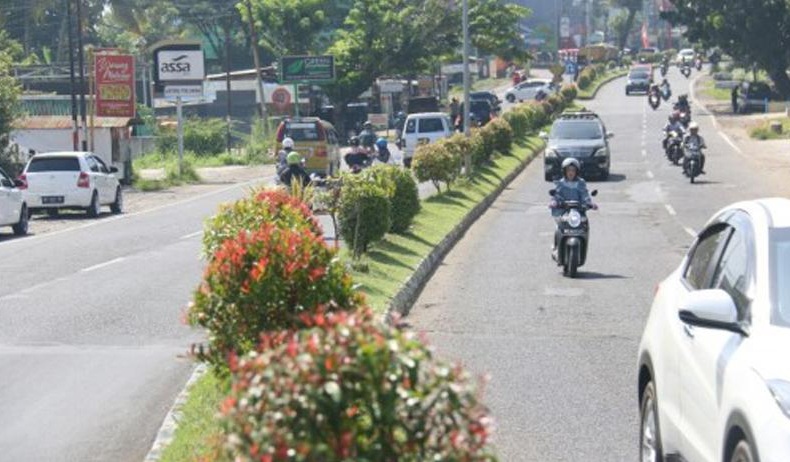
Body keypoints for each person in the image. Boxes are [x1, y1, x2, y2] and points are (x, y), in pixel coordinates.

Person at [549, 158, 597, 258]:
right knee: (559, 227)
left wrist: (590, 203)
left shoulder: (581, 183)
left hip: (578, 212)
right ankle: (556, 247)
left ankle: (582, 246)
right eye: (568, 170)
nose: (571, 173)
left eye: (573, 170)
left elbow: (585, 195)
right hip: (563, 211)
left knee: (584, 225)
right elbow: (557, 195)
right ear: (564, 171)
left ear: (577, 172)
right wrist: (554, 202)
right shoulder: (560, 183)